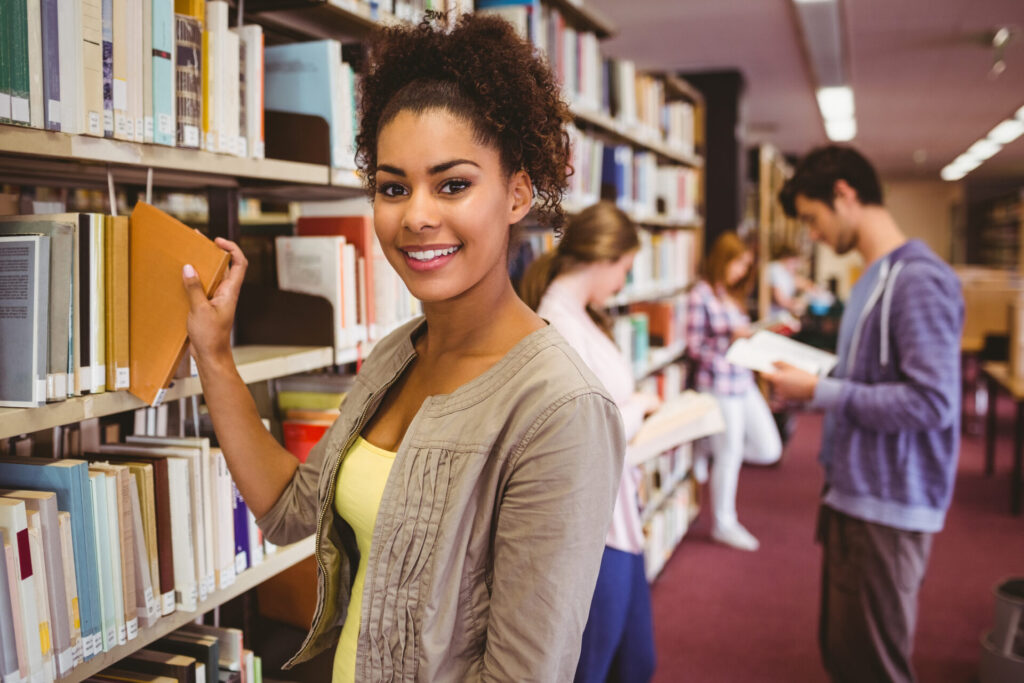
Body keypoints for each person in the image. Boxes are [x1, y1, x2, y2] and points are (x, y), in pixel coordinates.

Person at [181, 14, 625, 682]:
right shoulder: (397, 354)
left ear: (517, 193)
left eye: (452, 184)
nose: (415, 215)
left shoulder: (559, 407)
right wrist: (214, 356)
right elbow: (287, 509)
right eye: (393, 187)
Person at [769, 145, 964, 683]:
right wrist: (809, 385)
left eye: (812, 218)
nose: (812, 235)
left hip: (888, 503)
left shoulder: (917, 280)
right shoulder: (873, 278)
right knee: (846, 656)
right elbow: (869, 380)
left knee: (874, 667)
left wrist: (823, 393)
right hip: (856, 493)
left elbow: (933, 402)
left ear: (845, 195)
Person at [520, 201, 660, 683]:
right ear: (604, 257)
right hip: (592, 531)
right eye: (624, 268)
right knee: (595, 668)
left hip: (619, 513)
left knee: (635, 662)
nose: (623, 282)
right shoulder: (556, 327)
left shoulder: (581, 318)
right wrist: (640, 410)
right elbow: (574, 435)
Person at [685, 232, 782, 552]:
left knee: (769, 448)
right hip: (719, 383)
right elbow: (694, 347)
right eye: (738, 263)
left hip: (743, 381)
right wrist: (731, 342)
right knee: (731, 454)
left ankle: (707, 446)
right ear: (722, 259)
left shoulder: (730, 295)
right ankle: (724, 524)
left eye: (746, 266)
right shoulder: (701, 295)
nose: (741, 271)